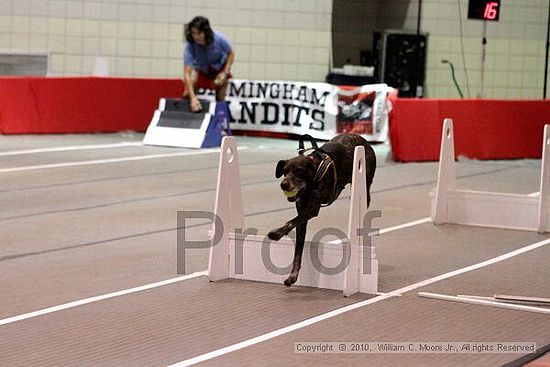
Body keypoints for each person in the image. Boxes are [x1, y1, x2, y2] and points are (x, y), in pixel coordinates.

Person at [183, 16, 235, 112]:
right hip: (204, 69)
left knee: (220, 94)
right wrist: (193, 98)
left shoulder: (218, 38)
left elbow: (231, 53)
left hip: (220, 68)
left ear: (206, 32)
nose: (196, 37)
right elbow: (187, 73)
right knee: (187, 94)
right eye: (194, 33)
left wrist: (225, 72)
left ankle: (221, 118)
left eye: (199, 33)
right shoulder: (190, 46)